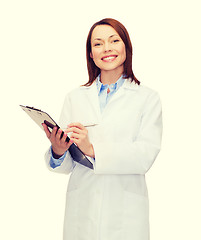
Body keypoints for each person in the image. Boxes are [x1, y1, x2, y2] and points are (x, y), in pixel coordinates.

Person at [43, 18, 162, 240]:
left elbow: (145, 155)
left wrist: (92, 148)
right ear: (90, 53)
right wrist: (58, 151)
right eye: (97, 44)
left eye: (114, 40)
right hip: (82, 210)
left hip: (125, 212)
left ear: (126, 46)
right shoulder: (75, 97)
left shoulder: (147, 98)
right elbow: (69, 164)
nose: (106, 48)